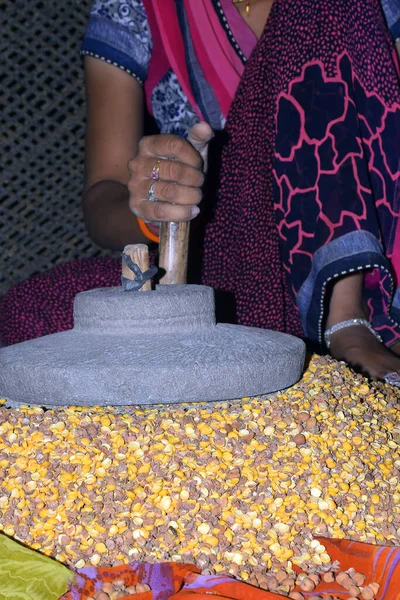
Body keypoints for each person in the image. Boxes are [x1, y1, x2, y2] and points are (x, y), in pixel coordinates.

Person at [1, 0, 400, 384]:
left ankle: (342, 314)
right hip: (223, 266)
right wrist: (153, 204)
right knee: (26, 319)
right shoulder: (134, 8)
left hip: (377, 271)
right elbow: (102, 197)